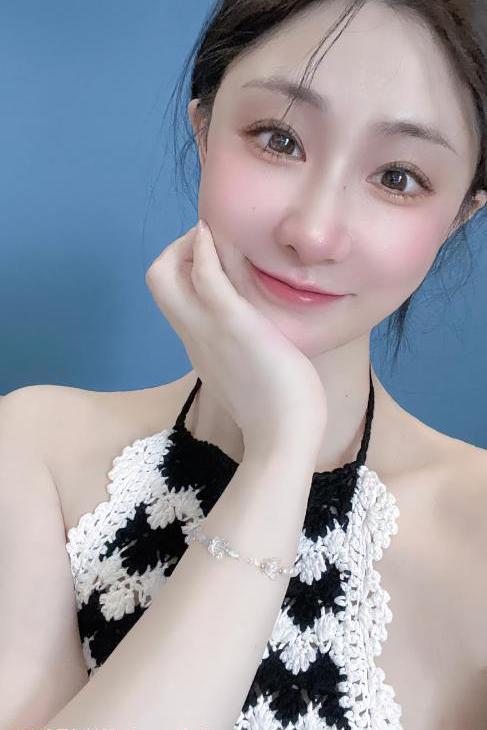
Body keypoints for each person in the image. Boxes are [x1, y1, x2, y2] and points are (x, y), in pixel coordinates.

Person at [1, 1, 487, 728]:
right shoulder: (36, 453)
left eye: (397, 177)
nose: (312, 233)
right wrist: (280, 451)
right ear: (203, 132)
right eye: (278, 139)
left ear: (459, 215)